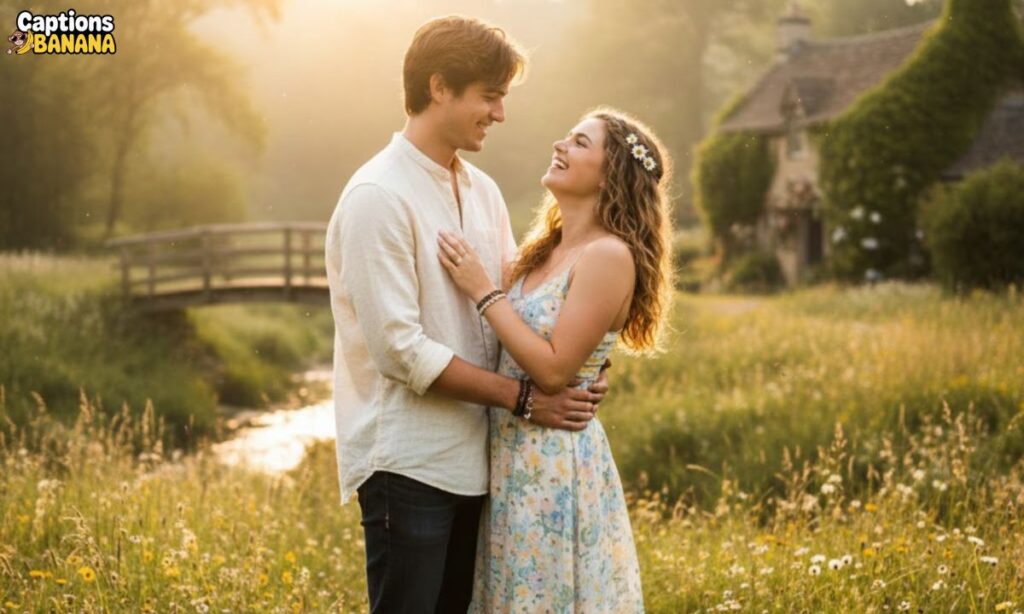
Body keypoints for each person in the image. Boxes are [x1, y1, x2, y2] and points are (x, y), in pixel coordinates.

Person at [324, 15, 611, 613]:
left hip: (481, 464)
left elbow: (518, 305)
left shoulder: (482, 191)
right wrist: (525, 398)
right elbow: (401, 352)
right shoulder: (378, 196)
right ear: (438, 87)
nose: (499, 113)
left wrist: (585, 364)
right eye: (489, 96)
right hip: (409, 465)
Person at [437, 107, 674, 612]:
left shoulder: (609, 255)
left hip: (555, 466)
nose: (560, 146)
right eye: (566, 137)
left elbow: (552, 370)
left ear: (612, 175)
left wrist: (483, 291)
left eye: (580, 143)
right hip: (509, 456)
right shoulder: (542, 251)